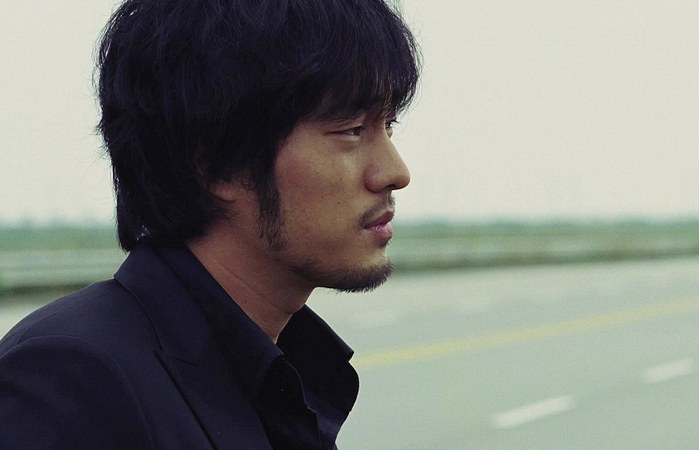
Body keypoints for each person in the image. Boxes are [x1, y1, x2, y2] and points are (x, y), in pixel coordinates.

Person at [0, 0, 419, 448]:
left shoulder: (280, 368)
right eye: (351, 130)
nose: (396, 173)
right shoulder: (73, 382)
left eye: (389, 126)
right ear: (217, 163)